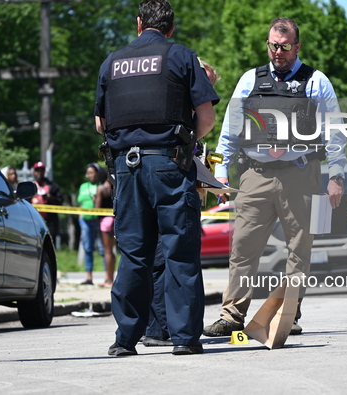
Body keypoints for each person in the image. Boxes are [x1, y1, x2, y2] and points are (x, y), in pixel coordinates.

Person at [203, 17, 347, 338]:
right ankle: (232, 316)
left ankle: (289, 314)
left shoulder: (316, 81)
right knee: (242, 247)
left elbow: (335, 132)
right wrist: (221, 172)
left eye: (284, 46)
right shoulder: (250, 80)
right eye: (272, 45)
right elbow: (230, 131)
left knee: (300, 248)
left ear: (297, 47)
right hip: (255, 174)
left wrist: (336, 174)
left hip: (301, 173)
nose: (277, 52)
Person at [94, 0, 219, 356]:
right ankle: (183, 339)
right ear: (171, 28)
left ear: (138, 24)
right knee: (179, 251)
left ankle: (125, 340)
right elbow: (206, 119)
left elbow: (100, 124)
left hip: (125, 169)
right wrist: (185, 140)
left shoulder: (112, 62)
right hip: (169, 165)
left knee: (134, 253)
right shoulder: (181, 56)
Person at [141, 59, 221, 348]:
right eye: (203, 83)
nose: (205, 91)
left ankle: (164, 327)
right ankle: (157, 328)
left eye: (210, 86)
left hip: (185, 196)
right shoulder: (171, 119)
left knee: (168, 258)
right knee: (163, 259)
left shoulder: (190, 122)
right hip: (164, 194)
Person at [77, 163, 104, 285]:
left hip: (98, 220)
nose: (90, 175)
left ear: (97, 173)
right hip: (85, 220)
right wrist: (80, 216)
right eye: (88, 173)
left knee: (103, 249)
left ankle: (108, 277)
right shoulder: (83, 186)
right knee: (88, 248)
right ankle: (89, 277)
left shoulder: (102, 186)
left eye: (92, 172)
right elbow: (80, 203)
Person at [31, 161, 64, 243]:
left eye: (41, 170)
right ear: (34, 172)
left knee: (50, 242)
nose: (39, 172)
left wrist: (51, 198)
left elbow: (60, 200)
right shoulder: (30, 185)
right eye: (37, 170)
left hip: (50, 221)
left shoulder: (52, 186)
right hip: (33, 219)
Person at [95, 167, 116, 288]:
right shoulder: (114, 187)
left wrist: (95, 200)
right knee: (112, 252)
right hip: (114, 219)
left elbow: (97, 209)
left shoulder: (101, 188)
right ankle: (111, 278)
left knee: (107, 251)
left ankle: (109, 280)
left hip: (105, 221)